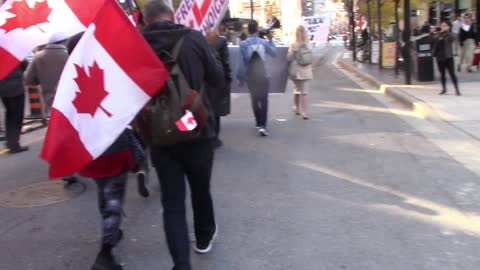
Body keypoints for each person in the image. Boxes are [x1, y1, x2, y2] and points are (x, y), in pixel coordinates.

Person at [141, 1, 225, 269]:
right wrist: (208, 49)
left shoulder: (135, 45)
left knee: (172, 203)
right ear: (174, 15)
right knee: (201, 190)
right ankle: (203, 238)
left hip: (158, 134)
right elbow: (217, 79)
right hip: (196, 128)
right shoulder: (193, 39)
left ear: (145, 20)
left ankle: (181, 264)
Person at [81, 129, 142, 270]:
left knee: (104, 192)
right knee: (113, 200)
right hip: (115, 150)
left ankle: (112, 233)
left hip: (90, 149)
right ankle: (105, 254)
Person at [237, 20, 277, 136]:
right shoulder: (264, 43)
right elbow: (274, 53)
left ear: (248, 30)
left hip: (251, 76)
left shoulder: (244, 44)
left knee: (254, 99)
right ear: (257, 29)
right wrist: (271, 40)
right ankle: (263, 125)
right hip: (263, 75)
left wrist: (241, 78)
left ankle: (258, 122)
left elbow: (241, 64)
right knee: (264, 100)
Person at [24, 33, 69, 116]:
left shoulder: (38, 56)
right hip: (70, 99)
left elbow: (28, 79)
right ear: (64, 41)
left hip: (49, 99)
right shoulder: (70, 55)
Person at [0, 62, 29, 154]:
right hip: (17, 89)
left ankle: (10, 142)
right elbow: (25, 64)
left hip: (3, 89)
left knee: (9, 115)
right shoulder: (13, 52)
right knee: (17, 117)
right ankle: (14, 144)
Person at [211, 27, 232, 148]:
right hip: (217, 79)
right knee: (216, 110)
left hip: (203, 80)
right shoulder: (220, 41)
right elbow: (226, 62)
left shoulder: (197, 38)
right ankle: (214, 138)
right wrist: (228, 78)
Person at [288, 25, 313, 120]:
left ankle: (296, 108)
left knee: (297, 90)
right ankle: (305, 113)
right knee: (305, 92)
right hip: (306, 70)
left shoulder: (294, 45)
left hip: (297, 71)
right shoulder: (309, 44)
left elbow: (289, 58)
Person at [433, 21, 461, 96]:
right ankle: (444, 89)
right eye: (442, 25)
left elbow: (453, 38)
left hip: (448, 57)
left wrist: (447, 31)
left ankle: (457, 89)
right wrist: (435, 33)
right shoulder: (438, 34)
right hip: (440, 57)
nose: (443, 27)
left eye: (445, 26)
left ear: (449, 26)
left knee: (452, 74)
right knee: (442, 74)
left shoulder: (450, 34)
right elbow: (433, 40)